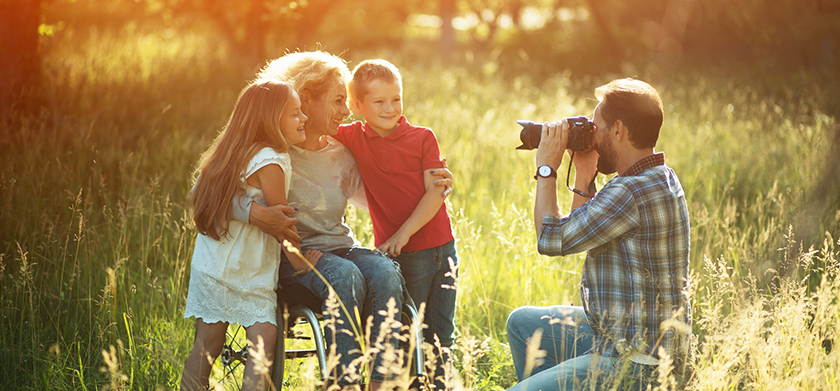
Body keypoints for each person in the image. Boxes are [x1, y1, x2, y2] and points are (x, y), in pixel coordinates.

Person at [234, 51, 453, 390]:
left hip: (339, 248)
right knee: (345, 274)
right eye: (338, 101)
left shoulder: (341, 152)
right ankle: (345, 381)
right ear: (306, 101)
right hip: (294, 260)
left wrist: (430, 186)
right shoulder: (274, 153)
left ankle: (383, 380)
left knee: (383, 269)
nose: (347, 110)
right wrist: (257, 213)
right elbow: (219, 194)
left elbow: (383, 198)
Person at [506, 78, 692, 390]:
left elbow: (550, 240)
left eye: (597, 126)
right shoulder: (660, 177)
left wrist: (546, 168)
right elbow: (581, 233)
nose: (592, 134)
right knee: (523, 324)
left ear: (618, 130)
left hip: (636, 363)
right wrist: (583, 174)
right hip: (632, 337)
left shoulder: (629, 192)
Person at [181, 79, 322, 391]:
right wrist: (301, 264)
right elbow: (284, 223)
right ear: (271, 121)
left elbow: (201, 191)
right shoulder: (271, 161)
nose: (304, 119)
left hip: (215, 262)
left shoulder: (236, 150)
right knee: (263, 344)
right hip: (248, 269)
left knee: (207, 344)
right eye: (295, 114)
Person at [334, 59, 460, 390]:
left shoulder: (422, 138)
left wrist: (402, 233)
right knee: (408, 338)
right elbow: (315, 127)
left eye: (396, 99)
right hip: (406, 258)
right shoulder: (353, 137)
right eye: (379, 102)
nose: (390, 109)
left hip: (440, 248)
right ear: (357, 105)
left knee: (441, 338)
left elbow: (436, 192)